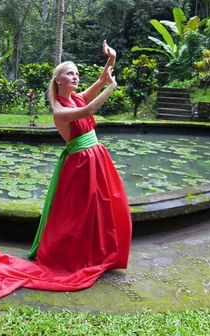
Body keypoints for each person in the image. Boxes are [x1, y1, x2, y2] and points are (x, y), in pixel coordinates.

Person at [28, 40, 132, 275]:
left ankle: (99, 253)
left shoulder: (78, 97)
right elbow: (88, 112)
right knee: (78, 214)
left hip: (97, 158)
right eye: (69, 73)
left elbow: (103, 78)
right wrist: (111, 89)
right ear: (58, 80)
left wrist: (112, 58)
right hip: (81, 163)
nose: (75, 77)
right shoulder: (60, 110)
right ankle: (71, 255)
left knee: (103, 206)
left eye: (77, 73)